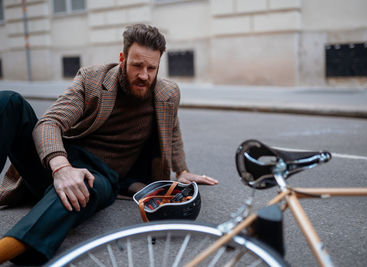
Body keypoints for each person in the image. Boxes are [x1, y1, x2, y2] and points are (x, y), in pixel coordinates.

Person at [0, 23, 218, 265]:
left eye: (151, 68)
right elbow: (49, 123)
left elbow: (172, 130)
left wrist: (183, 170)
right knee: (8, 101)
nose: (144, 75)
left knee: (80, 189)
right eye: (137, 65)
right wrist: (61, 168)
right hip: (58, 160)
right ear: (122, 58)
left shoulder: (167, 94)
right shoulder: (92, 79)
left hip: (101, 175)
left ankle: (9, 250)